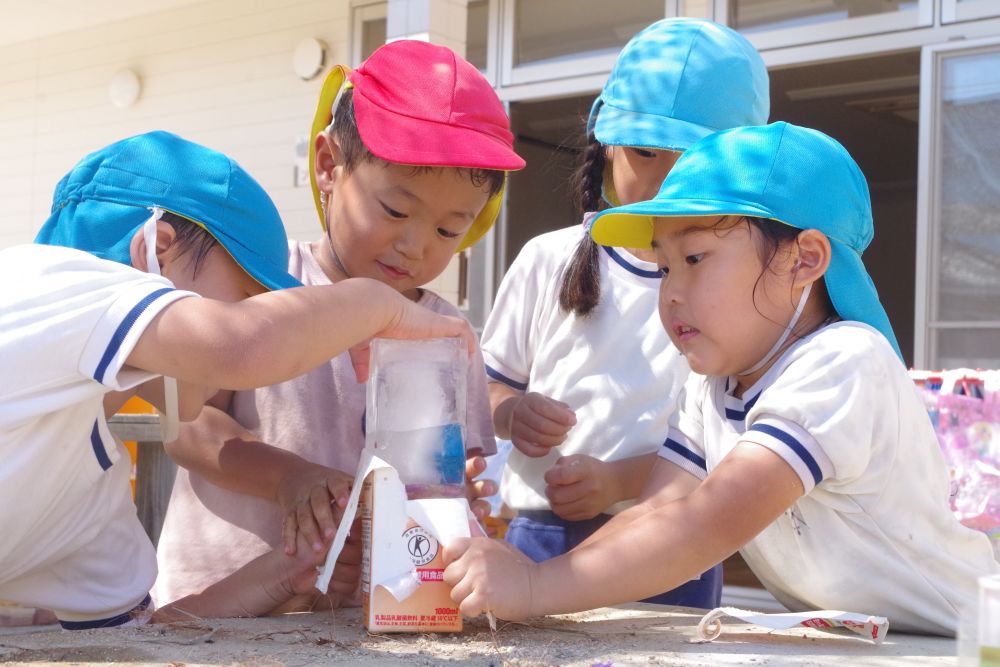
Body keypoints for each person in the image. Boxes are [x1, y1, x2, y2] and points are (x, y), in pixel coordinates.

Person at [444, 122, 1000, 636]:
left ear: (804, 260)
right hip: (870, 642)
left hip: (961, 639)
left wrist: (536, 587)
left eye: (696, 258)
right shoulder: (712, 386)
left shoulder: (844, 362)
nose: (671, 293)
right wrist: (531, 571)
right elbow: (661, 512)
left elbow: (705, 524)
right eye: (664, 267)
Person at [0, 130, 477, 629]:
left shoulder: (89, 498)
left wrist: (278, 576)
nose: (266, 327)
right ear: (156, 251)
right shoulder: (46, 285)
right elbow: (241, 345)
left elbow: (141, 638)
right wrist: (378, 305)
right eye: (249, 299)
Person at [152, 39, 525, 612]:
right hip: (218, 609)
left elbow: (456, 477)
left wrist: (460, 496)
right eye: (396, 210)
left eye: (449, 231)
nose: (414, 244)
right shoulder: (265, 285)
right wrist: (288, 477)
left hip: (370, 619)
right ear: (329, 166)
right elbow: (185, 424)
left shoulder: (447, 335)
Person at [478, 17, 768, 608]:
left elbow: (733, 447)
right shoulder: (547, 258)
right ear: (605, 140)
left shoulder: (739, 289)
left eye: (690, 158)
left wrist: (617, 481)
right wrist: (515, 414)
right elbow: (486, 387)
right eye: (644, 151)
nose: (663, 178)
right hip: (537, 534)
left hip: (672, 548)